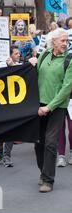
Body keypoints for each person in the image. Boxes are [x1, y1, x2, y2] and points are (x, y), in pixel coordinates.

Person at [29, 28, 72, 193]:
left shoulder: (69, 59)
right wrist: (31, 63)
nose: (65, 44)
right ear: (53, 41)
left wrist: (50, 107)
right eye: (62, 40)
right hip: (39, 106)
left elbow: (67, 88)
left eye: (66, 41)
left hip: (57, 107)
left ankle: (48, 180)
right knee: (38, 143)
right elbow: (34, 75)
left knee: (50, 143)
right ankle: (43, 172)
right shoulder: (45, 54)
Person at [0, 46, 22, 167]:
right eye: (16, 53)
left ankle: (7, 155)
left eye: (19, 53)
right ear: (10, 54)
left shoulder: (20, 65)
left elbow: (21, 78)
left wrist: (12, 66)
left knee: (10, 130)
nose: (19, 55)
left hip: (12, 103)